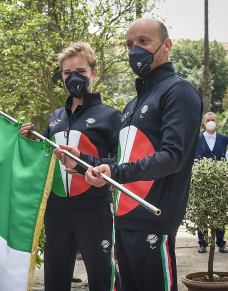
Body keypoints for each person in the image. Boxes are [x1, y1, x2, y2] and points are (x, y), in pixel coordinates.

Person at [55, 19, 202, 291]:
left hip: (154, 220)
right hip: (123, 220)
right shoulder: (133, 104)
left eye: (144, 42)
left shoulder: (178, 91)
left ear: (166, 45)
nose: (135, 51)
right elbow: (122, 163)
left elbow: (173, 157)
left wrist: (117, 173)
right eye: (129, 45)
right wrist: (84, 161)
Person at [20, 42, 121, 291]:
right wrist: (30, 142)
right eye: (67, 73)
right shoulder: (56, 117)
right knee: (55, 278)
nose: (73, 78)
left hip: (95, 209)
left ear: (94, 74)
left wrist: (86, 164)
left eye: (81, 72)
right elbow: (45, 159)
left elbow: (122, 163)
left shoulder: (111, 116)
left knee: (102, 276)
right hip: (56, 211)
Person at [195, 112, 228, 254]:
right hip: (201, 183)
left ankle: (221, 243)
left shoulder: (225, 139)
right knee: (201, 213)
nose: (210, 122)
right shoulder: (196, 140)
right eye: (208, 120)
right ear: (203, 123)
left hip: (220, 183)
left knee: (220, 212)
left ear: (217, 122)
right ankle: (202, 243)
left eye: (213, 120)